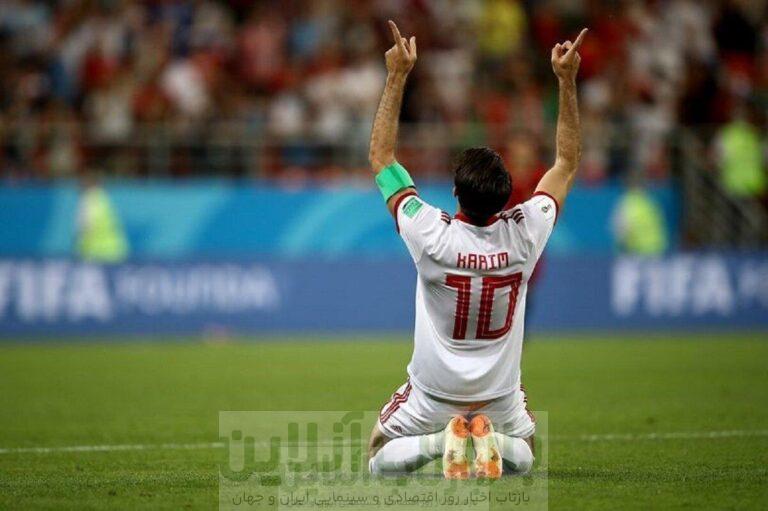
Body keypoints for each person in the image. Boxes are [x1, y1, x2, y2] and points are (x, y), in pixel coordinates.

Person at [366, 21, 586, 478]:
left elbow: (382, 159)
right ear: (508, 198)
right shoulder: (526, 233)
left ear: (454, 192)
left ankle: (439, 440)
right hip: (498, 393)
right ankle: (485, 437)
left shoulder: (430, 233)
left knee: (377, 454)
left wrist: (397, 75)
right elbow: (565, 164)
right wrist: (566, 82)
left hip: (433, 392)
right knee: (524, 453)